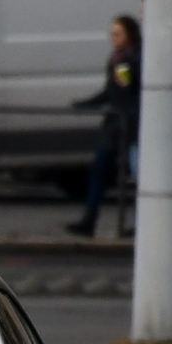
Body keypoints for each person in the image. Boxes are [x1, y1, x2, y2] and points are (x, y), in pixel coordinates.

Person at [66, 15, 142, 239]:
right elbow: (110, 92)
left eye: (118, 34)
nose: (114, 38)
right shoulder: (118, 59)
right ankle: (89, 218)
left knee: (139, 177)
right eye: (112, 34)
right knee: (99, 170)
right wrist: (86, 104)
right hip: (114, 125)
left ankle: (141, 224)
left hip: (130, 126)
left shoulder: (131, 59)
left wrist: (123, 70)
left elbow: (125, 90)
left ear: (129, 35)